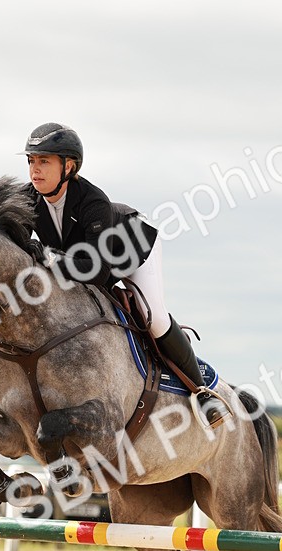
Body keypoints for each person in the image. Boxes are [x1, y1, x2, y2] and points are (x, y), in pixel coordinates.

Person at [20, 123, 229, 427]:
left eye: (44, 161)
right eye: (31, 161)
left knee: (152, 316)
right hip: (82, 260)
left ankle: (202, 392)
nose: (35, 170)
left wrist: (48, 256)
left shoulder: (93, 201)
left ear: (69, 166)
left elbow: (96, 271)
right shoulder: (27, 200)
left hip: (132, 249)